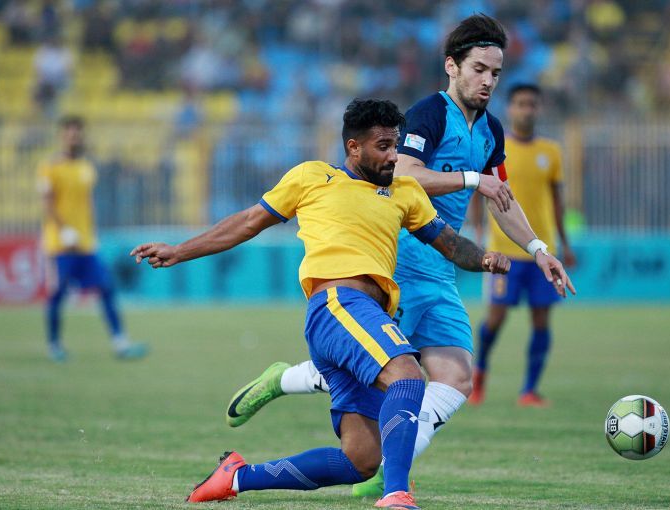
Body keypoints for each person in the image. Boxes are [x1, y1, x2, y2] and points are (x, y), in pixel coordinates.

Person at [222, 13, 576, 497]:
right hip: (401, 265)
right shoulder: (430, 114)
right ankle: (288, 383)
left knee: (455, 379)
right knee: (387, 371)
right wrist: (473, 179)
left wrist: (538, 249)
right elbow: (406, 174)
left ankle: (389, 465)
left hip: (442, 271)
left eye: (495, 72)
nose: (488, 81)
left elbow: (502, 198)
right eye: (478, 69)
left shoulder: (491, 130)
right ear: (452, 66)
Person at [130, 98, 511, 508]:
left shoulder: (405, 192)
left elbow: (449, 243)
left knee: (361, 459)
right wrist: (180, 251)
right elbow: (248, 222)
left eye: (396, 145)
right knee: (407, 376)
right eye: (383, 146)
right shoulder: (312, 177)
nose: (393, 156)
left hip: (363, 318)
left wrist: (484, 259)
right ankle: (396, 493)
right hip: (336, 305)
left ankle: (237, 477)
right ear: (353, 147)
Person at [469, 83, 576, 407]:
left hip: (542, 250)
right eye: (520, 104)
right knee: (495, 318)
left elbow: (557, 202)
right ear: (511, 108)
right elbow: (479, 191)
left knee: (541, 320)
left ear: (539, 109)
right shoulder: (495, 148)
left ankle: (529, 390)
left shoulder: (551, 151)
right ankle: (478, 378)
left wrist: (564, 244)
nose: (526, 110)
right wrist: (478, 234)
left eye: (532, 104)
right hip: (504, 249)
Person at [38, 115, 148, 362]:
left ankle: (120, 342)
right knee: (58, 293)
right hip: (60, 245)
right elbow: (47, 203)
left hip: (85, 243)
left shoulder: (86, 168)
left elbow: (87, 204)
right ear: (62, 136)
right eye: (70, 134)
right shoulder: (50, 166)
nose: (74, 138)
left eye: (77, 134)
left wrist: (91, 233)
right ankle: (54, 345)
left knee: (106, 287)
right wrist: (64, 230)